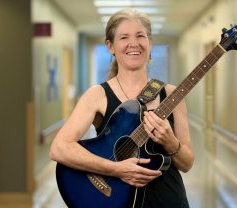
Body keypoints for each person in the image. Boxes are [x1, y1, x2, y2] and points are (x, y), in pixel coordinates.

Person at [50, 8, 194, 208]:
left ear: (150, 43)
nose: (133, 43)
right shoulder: (97, 95)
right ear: (110, 46)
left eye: (140, 36)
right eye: (124, 37)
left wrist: (171, 143)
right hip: (116, 200)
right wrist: (115, 169)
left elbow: (186, 164)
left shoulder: (170, 94)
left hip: (168, 200)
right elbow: (59, 148)